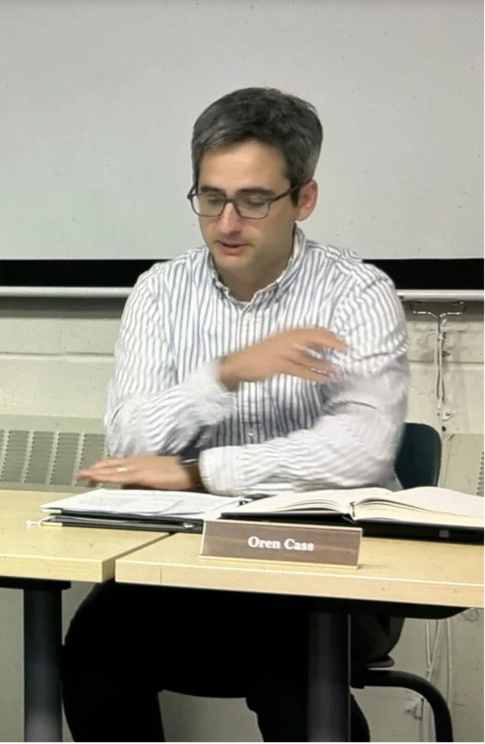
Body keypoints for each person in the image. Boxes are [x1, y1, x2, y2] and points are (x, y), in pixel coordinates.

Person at [64, 88, 409, 741]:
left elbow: (359, 453)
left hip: (329, 570)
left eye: (253, 201)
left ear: (303, 198)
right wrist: (222, 374)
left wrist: (202, 472)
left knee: (286, 647)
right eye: (209, 198)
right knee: (94, 644)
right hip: (192, 563)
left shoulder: (358, 294)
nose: (226, 223)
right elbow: (127, 443)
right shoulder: (160, 293)